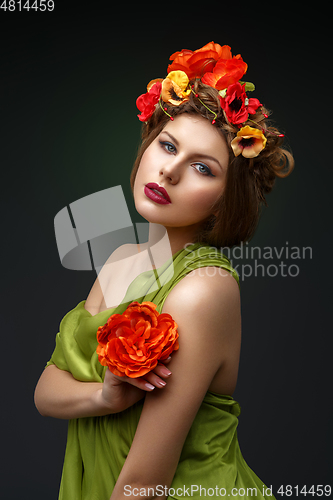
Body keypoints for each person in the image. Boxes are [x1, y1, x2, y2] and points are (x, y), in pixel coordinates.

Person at [34, 42, 294, 500]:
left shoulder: (203, 289)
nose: (170, 171)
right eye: (167, 145)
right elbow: (46, 391)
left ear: (225, 197)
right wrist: (103, 397)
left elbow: (143, 485)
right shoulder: (120, 260)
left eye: (201, 167)